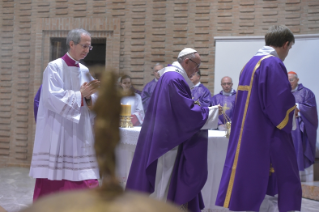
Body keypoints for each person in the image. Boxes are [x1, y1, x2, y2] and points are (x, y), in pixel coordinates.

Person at [216, 25, 302, 212]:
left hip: (248, 130)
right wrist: (291, 111)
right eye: (290, 48)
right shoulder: (273, 63)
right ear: (286, 44)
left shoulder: (249, 64)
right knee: (285, 173)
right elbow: (278, 102)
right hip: (266, 132)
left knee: (250, 175)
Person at [126, 48, 222, 212]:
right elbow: (185, 112)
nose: (196, 70)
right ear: (186, 62)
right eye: (196, 65)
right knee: (164, 182)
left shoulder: (170, 76)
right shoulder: (173, 78)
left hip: (166, 137)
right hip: (168, 143)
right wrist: (211, 111)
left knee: (164, 182)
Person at [29, 29, 101, 201]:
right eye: (84, 46)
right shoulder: (54, 67)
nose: (86, 50)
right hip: (59, 129)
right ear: (71, 44)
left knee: (85, 176)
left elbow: (90, 99)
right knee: (56, 176)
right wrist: (80, 95)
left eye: (89, 47)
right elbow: (52, 98)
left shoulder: (84, 69)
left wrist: (90, 96)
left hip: (79, 130)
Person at [288, 71, 318, 181]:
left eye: (291, 80)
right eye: (286, 80)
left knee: (300, 152)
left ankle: (304, 183)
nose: (289, 82)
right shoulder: (282, 93)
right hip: (286, 130)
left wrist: (297, 107)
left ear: (297, 80)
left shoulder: (306, 93)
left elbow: (312, 110)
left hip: (300, 130)